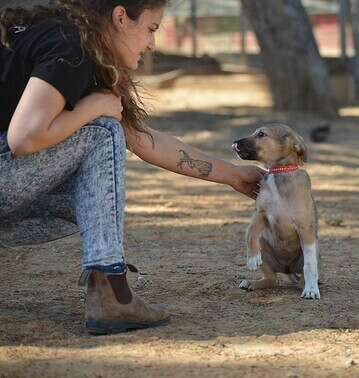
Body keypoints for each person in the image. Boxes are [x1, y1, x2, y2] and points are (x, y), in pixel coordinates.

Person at [0, 0, 264, 335]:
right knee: (102, 131)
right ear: (121, 17)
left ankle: (111, 290)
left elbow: (143, 141)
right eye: (151, 29)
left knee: (98, 188)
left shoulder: (76, 46)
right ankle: (112, 292)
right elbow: (23, 138)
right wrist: (91, 109)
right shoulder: (70, 46)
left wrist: (235, 176)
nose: (152, 44)